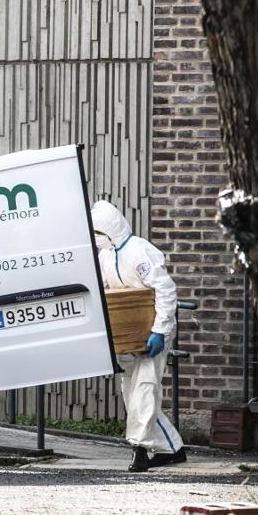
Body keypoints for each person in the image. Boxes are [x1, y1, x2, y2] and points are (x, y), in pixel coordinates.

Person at [91, 200, 186, 472]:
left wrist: (159, 330)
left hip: (152, 333)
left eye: (97, 234)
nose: (96, 239)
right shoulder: (107, 256)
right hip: (128, 335)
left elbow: (165, 291)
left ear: (108, 231)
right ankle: (172, 449)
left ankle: (140, 449)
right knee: (131, 392)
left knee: (145, 389)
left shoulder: (140, 251)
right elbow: (104, 288)